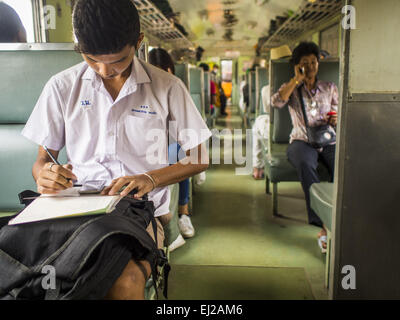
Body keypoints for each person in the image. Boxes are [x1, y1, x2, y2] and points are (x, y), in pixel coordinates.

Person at [20, 0, 211, 299]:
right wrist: (45, 175)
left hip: (139, 210)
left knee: (122, 284)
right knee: (34, 278)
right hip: (75, 207)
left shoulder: (167, 88)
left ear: (138, 42)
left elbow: (200, 157)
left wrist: (150, 178)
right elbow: (43, 160)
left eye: (118, 61)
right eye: (91, 59)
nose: (103, 70)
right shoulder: (61, 87)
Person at [271, 42, 338, 252]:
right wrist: (296, 79)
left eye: (313, 62)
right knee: (305, 164)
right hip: (301, 141)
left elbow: (339, 112)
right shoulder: (292, 88)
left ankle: (336, 214)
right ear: (297, 66)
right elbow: (276, 102)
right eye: (304, 63)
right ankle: (323, 224)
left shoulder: (330, 88)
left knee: (342, 164)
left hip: (328, 139)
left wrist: (336, 119)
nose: (310, 67)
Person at [148, 47, 195, 245]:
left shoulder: (176, 89)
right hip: (150, 142)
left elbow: (187, 130)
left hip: (174, 140)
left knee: (178, 154)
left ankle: (183, 213)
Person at [252, 45, 292, 180]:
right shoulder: (302, 84)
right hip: (300, 131)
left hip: (279, 131)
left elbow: (271, 113)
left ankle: (257, 166)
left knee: (258, 123)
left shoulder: (266, 90)